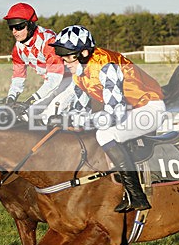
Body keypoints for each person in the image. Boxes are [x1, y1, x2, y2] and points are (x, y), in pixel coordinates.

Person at [48, 25, 167, 213]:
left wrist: (74, 121)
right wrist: (64, 119)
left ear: (84, 53)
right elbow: (80, 111)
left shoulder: (106, 66)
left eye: (67, 55)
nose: (64, 61)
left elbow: (114, 114)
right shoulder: (79, 73)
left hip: (149, 109)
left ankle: (136, 196)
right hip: (131, 110)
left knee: (105, 134)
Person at [2, 2, 72, 119]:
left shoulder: (49, 41)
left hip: (71, 81)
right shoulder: (18, 48)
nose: (14, 31)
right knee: (25, 116)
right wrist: (11, 97)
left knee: (47, 116)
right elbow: (18, 78)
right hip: (52, 84)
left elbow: (55, 80)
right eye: (11, 27)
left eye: (19, 27)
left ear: (30, 25)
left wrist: (30, 100)